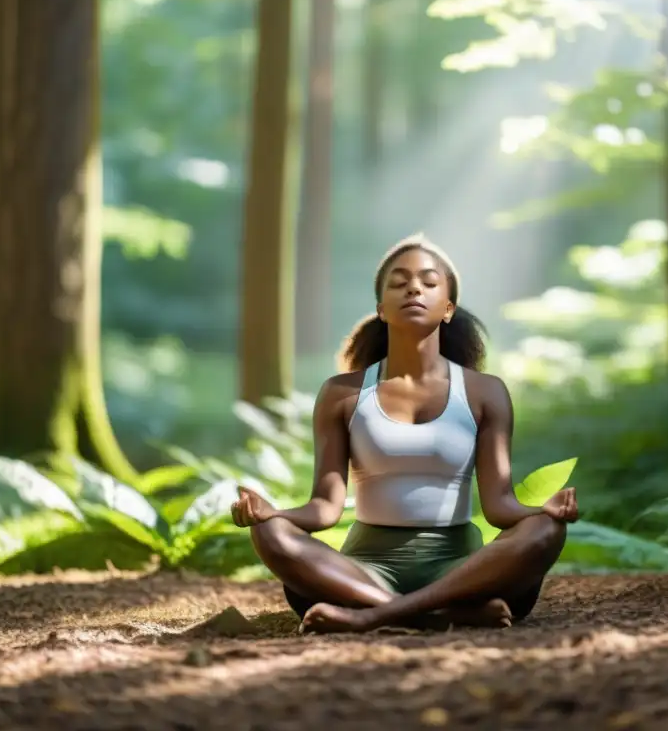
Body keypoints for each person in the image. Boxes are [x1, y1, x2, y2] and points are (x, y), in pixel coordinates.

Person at [230, 235, 578, 634]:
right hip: (364, 572)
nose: (414, 288)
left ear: (448, 308)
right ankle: (436, 614)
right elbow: (325, 508)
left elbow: (499, 505)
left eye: (429, 282)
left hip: (462, 569)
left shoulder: (485, 391)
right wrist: (272, 514)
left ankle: (376, 616)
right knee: (271, 534)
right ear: (381, 308)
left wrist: (545, 512)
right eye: (399, 282)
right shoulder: (342, 393)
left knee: (546, 530)